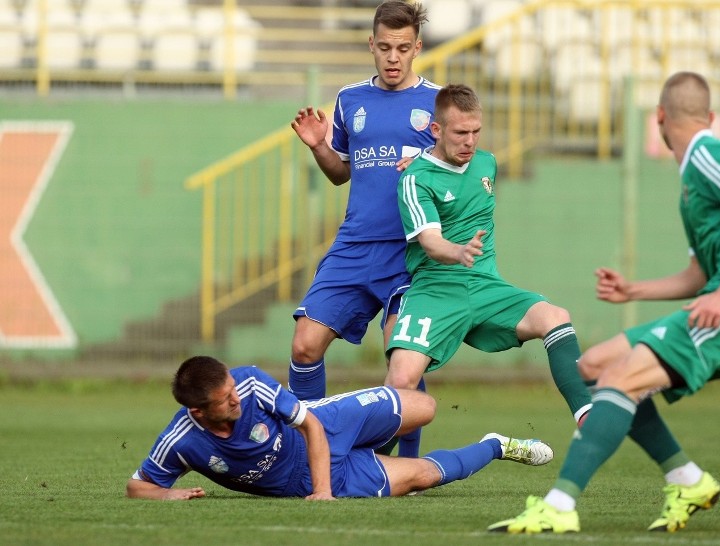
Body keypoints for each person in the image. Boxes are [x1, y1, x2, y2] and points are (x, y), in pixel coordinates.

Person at [489, 71, 720, 534]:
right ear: (707, 115)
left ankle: (560, 504)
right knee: (593, 365)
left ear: (660, 117)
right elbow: (700, 275)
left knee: (621, 378)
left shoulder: (709, 153)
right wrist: (635, 290)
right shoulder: (693, 178)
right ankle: (686, 479)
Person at [384, 84, 593, 447]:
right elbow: (431, 243)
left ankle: (589, 418)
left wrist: (471, 260)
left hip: (485, 286)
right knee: (401, 381)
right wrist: (458, 252)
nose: (470, 141)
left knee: (555, 317)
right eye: (460, 133)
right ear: (437, 130)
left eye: (476, 131)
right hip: (436, 288)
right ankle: (362, 464)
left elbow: (457, 167)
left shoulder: (487, 163)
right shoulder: (415, 178)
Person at [286, 1, 440, 453]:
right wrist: (318, 147)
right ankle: (311, 451)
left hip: (411, 251)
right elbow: (341, 173)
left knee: (404, 365)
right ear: (371, 45)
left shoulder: (437, 102)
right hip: (354, 247)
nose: (393, 58)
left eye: (403, 48)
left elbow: (461, 169)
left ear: (418, 48)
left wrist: (429, 164)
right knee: (304, 346)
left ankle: (405, 466)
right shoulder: (350, 99)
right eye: (385, 47)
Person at [126, 355, 553, 501]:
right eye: (226, 400)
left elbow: (309, 424)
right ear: (200, 412)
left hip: (323, 426)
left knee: (426, 407)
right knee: (426, 475)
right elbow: (137, 486)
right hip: (307, 478)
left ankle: (383, 447)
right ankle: (497, 445)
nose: (237, 397)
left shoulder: (250, 381)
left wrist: (324, 494)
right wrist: (169, 492)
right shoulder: (181, 442)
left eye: (233, 388)